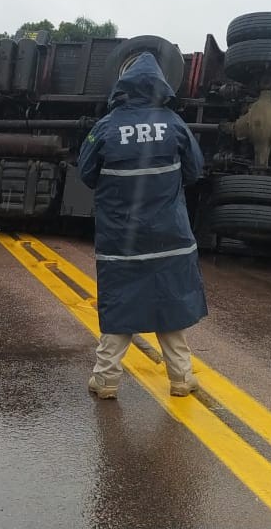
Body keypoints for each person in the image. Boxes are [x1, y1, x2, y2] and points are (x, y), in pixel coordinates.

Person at [77, 48, 207, 400]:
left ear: (124, 86)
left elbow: (86, 173)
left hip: (122, 236)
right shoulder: (174, 124)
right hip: (169, 232)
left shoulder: (106, 127)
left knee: (121, 304)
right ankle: (181, 378)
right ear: (160, 86)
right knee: (171, 302)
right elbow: (195, 170)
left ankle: (106, 380)